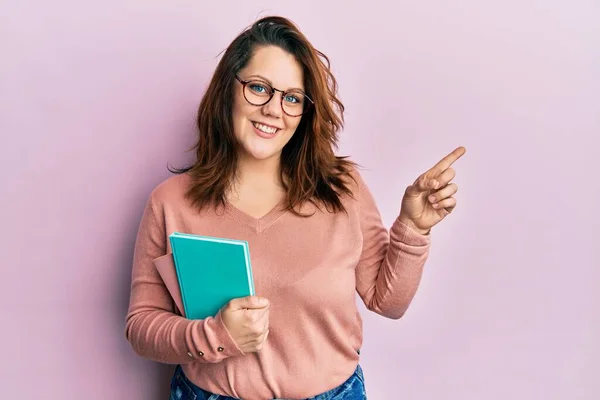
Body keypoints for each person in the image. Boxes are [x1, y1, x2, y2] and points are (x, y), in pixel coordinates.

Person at [125, 15, 465, 400]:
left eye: (291, 97)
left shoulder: (343, 190)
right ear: (227, 91)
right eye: (258, 88)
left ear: (305, 112)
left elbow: (387, 302)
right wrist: (215, 335)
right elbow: (141, 327)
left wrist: (413, 228)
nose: (273, 109)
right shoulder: (170, 201)